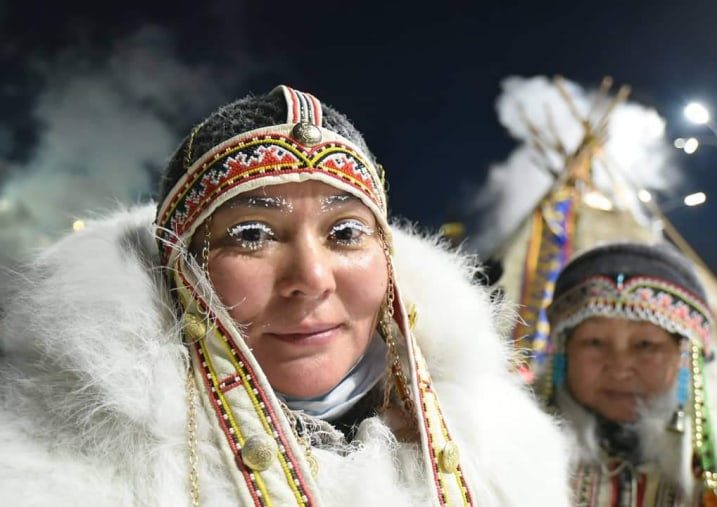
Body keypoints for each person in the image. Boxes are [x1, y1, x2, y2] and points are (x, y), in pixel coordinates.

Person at [0, 85, 572, 505]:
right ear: (183, 270)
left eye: (346, 232)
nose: (312, 278)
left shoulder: (503, 449)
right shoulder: (53, 464)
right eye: (252, 235)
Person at [539, 240, 717, 505]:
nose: (620, 369)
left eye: (646, 345)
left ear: (686, 357)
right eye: (595, 342)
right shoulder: (509, 451)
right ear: (564, 352)